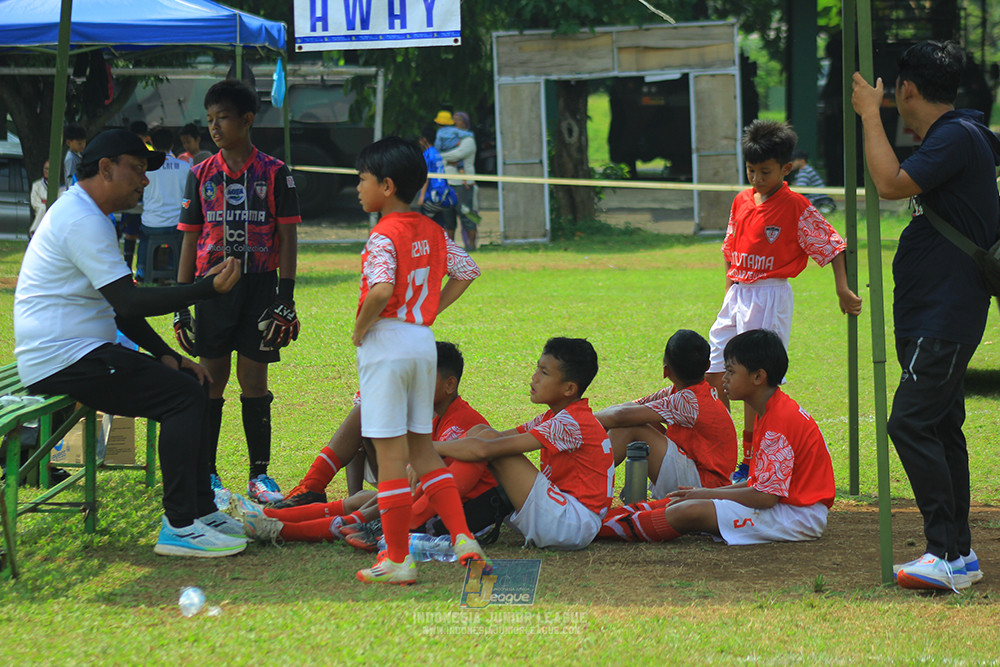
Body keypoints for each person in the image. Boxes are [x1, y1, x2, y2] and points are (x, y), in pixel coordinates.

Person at [13, 129, 247, 557]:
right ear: (105, 168)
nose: (144, 182)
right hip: (63, 358)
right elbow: (128, 299)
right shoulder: (81, 218)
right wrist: (203, 290)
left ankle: (199, 508)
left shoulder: (89, 214)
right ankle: (178, 525)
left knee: (193, 384)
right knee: (182, 397)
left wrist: (166, 354)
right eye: (137, 170)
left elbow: (119, 308)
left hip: (78, 352)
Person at [853, 40, 998, 592]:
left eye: (894, 93)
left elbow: (890, 185)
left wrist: (870, 114)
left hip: (944, 315)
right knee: (940, 425)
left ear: (906, 90)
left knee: (908, 423)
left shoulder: (957, 136)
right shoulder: (966, 133)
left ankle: (941, 551)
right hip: (940, 313)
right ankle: (959, 556)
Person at [352, 135, 487, 584]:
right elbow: (467, 270)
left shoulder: (382, 234)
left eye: (364, 179)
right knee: (423, 452)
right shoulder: (433, 229)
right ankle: (464, 538)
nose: (358, 187)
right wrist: (428, 310)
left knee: (391, 459)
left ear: (386, 186)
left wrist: (360, 329)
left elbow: (382, 289)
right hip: (422, 343)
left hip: (388, 344)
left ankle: (396, 559)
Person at [705, 119, 862, 484]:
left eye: (765, 171)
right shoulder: (741, 200)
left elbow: (833, 244)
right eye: (751, 170)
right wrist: (729, 291)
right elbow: (729, 250)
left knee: (750, 380)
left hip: (769, 295)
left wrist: (842, 289)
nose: (757, 179)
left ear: (785, 168)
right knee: (715, 370)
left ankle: (749, 459)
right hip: (738, 293)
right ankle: (725, 449)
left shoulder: (795, 206)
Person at [233, 342, 509, 547]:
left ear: (449, 385)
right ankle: (278, 509)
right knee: (362, 494)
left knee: (367, 504)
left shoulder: (462, 422)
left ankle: (279, 528)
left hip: (450, 512)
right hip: (417, 494)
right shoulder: (434, 414)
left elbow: (436, 483)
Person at [174, 79, 302, 506]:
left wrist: (286, 295)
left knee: (253, 380)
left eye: (222, 118)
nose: (213, 127)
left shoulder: (276, 172)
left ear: (247, 120)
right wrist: (182, 304)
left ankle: (259, 476)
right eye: (209, 120)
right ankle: (208, 473)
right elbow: (189, 241)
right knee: (210, 381)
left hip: (260, 287)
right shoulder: (199, 175)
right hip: (211, 289)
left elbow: (287, 237)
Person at [600, 330, 835, 547]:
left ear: (758, 377)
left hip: (796, 516)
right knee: (683, 502)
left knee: (688, 510)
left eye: (731, 371)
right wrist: (704, 494)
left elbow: (765, 497)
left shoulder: (778, 421)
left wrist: (705, 493)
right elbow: (760, 485)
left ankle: (597, 528)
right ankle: (606, 518)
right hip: (786, 507)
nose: (724, 378)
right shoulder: (772, 411)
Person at [438, 337, 615, 551]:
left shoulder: (570, 422)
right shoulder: (557, 416)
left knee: (488, 444)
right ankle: (431, 513)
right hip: (566, 516)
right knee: (481, 432)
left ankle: (423, 517)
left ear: (569, 389)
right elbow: (487, 436)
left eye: (544, 373)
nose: (534, 378)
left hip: (572, 525)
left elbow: (487, 447)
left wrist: (430, 448)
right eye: (537, 369)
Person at [594, 329, 737, 501]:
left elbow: (620, 416)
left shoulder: (688, 400)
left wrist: (580, 419)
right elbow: (629, 408)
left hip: (707, 489)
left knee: (630, 426)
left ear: (666, 371)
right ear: (707, 366)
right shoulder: (687, 393)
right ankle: (581, 473)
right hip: (703, 479)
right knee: (636, 417)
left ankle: (583, 481)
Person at [136, 127, 190, 282]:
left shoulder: (146, 168)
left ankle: (141, 269)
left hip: (151, 223)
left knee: (144, 237)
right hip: (176, 223)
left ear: (152, 143)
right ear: (172, 145)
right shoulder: (184, 167)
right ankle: (173, 268)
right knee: (179, 240)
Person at [440, 111, 480, 250]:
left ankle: (471, 245)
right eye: (454, 119)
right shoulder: (448, 139)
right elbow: (448, 157)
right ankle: (450, 248)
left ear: (465, 122)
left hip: (464, 184)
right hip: (448, 182)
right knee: (448, 216)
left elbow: (458, 154)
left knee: (467, 214)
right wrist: (447, 159)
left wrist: (442, 157)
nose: (455, 122)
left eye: (458, 120)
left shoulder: (468, 140)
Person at [417, 125, 458, 235]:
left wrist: (421, 196)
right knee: (439, 224)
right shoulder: (437, 153)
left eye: (420, 139)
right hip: (441, 194)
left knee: (426, 224)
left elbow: (426, 176)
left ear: (424, 139)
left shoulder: (427, 155)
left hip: (431, 195)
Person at [790, 150, 836, 215]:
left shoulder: (805, 172)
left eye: (793, 160)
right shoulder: (807, 170)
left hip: (818, 201)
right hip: (819, 200)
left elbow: (798, 190)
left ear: (802, 161)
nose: (791, 163)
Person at [29, 160, 64, 236]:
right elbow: (34, 202)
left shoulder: (61, 188)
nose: (47, 171)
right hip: (40, 213)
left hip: (54, 214)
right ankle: (34, 233)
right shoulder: (37, 185)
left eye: (49, 169)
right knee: (42, 208)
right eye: (45, 168)